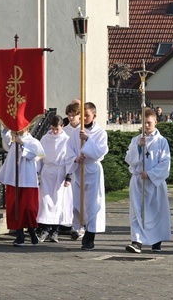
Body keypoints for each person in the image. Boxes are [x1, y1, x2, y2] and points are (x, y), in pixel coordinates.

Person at [125, 108, 172, 253]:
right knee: (137, 212)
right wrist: (138, 148)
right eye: (144, 123)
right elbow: (129, 159)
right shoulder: (136, 140)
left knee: (155, 212)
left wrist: (151, 174)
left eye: (149, 123)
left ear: (155, 122)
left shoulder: (162, 142)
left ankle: (156, 241)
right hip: (139, 182)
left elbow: (165, 162)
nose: (146, 126)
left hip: (154, 183)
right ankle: (137, 241)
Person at [66, 102, 108, 250]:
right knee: (79, 203)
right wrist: (75, 159)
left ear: (94, 116)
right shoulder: (74, 132)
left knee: (93, 204)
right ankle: (80, 228)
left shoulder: (100, 132)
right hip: (79, 171)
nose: (84, 118)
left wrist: (88, 140)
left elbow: (101, 152)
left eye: (87, 115)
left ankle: (90, 236)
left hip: (93, 171)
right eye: (82, 115)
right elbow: (68, 150)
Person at [0, 128, 45, 246]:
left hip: (28, 179)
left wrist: (22, 144)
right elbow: (6, 143)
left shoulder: (34, 141)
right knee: (15, 207)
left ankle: (32, 231)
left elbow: (38, 155)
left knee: (28, 208)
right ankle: (19, 235)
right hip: (14, 179)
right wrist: (7, 128)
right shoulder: (13, 141)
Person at [37, 115, 72, 243]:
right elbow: (40, 155)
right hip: (47, 171)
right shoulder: (45, 138)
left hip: (60, 172)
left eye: (57, 129)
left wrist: (69, 176)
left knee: (58, 202)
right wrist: (37, 171)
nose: (54, 132)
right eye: (52, 129)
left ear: (62, 126)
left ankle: (55, 231)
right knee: (45, 201)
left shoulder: (67, 140)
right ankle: (44, 229)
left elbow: (69, 158)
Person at [63, 102, 83, 240]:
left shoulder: (84, 130)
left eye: (74, 115)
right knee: (72, 200)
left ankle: (83, 226)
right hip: (70, 168)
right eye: (69, 116)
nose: (71, 118)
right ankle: (74, 226)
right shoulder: (65, 131)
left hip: (83, 169)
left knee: (82, 199)